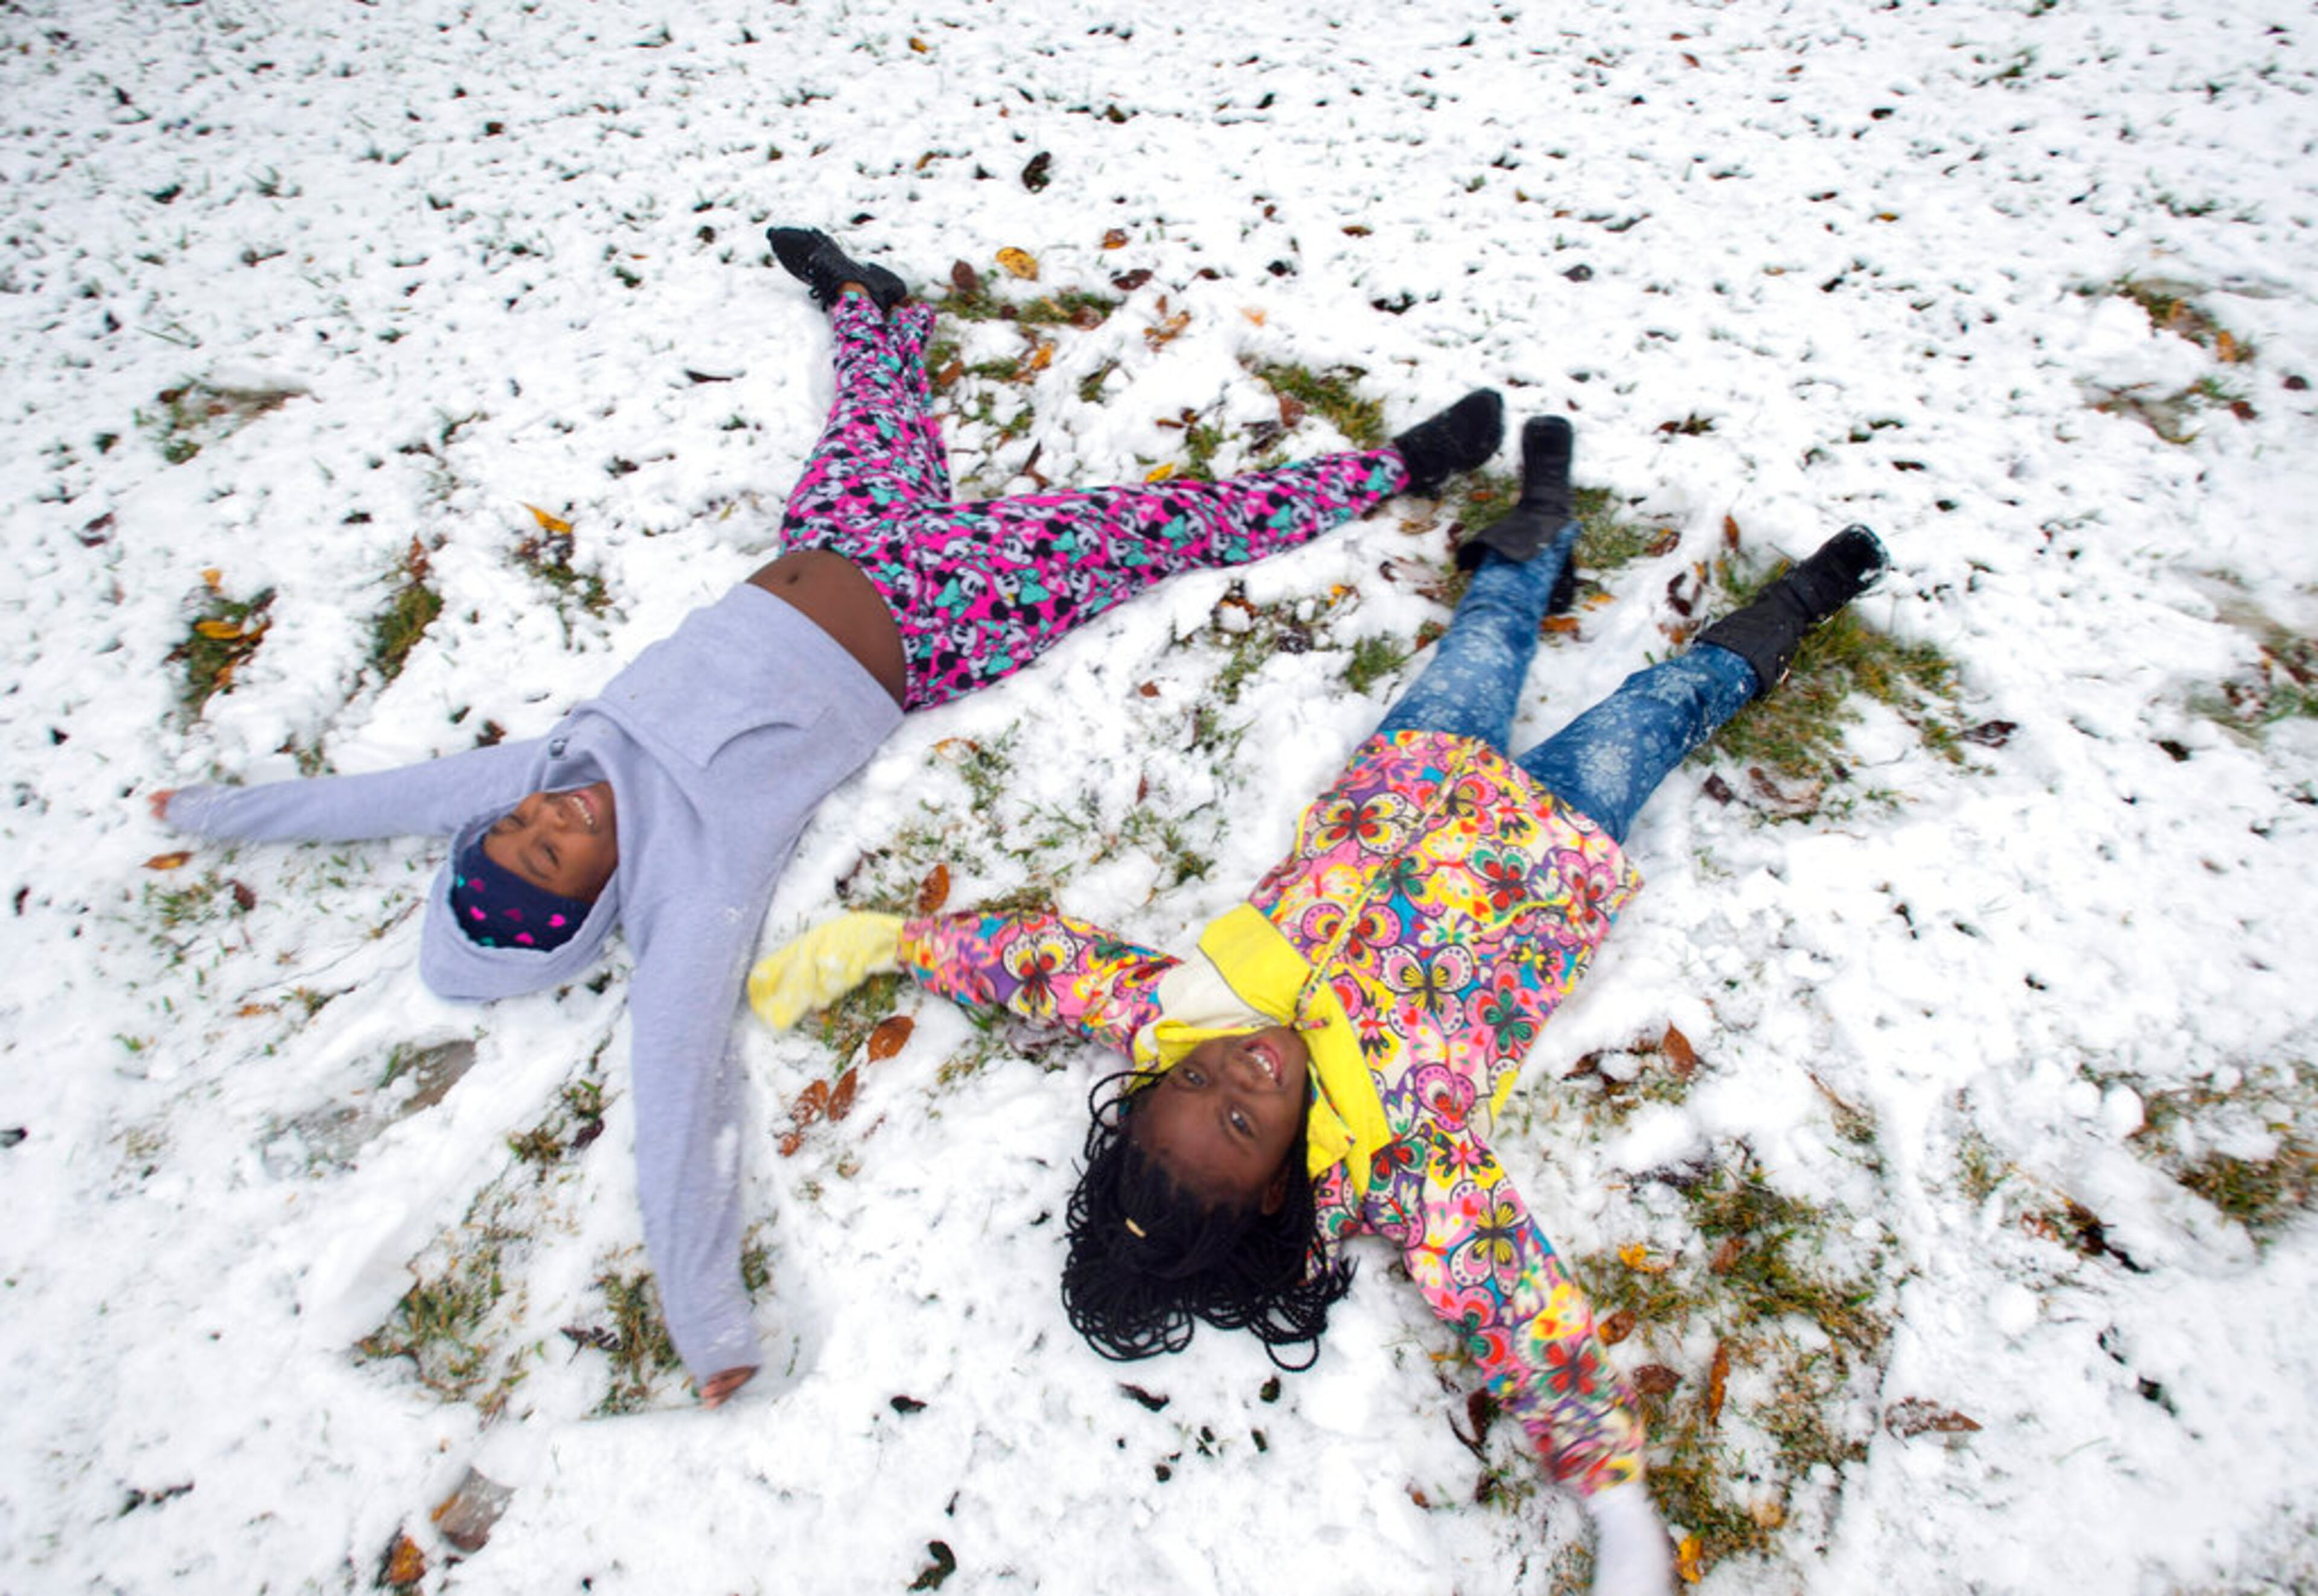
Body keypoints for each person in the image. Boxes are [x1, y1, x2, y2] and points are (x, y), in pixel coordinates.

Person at [148, 226, 1510, 1409]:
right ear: (598, 895)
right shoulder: (694, 875)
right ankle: (1394, 469)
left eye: (513, 824)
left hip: (840, 526)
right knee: (1165, 521)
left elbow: (373, 795)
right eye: (558, 847)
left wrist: (218, 811)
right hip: (945, 604)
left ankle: (872, 305)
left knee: (871, 411)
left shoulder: (565, 760)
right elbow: (673, 1093)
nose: (548, 810)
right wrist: (707, 1314)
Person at [749, 412, 1889, 1593]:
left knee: (1490, 630)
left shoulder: (1176, 1009)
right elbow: (1519, 1301)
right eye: (1243, 1121)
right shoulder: (1405, 1155)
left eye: (1192, 1083)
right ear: (1287, 1182)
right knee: (1668, 701)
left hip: (1415, 762)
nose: (1233, 1072)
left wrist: (882, 940)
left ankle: (1542, 522)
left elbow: (1039, 961)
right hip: (1557, 833)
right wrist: (1613, 1495)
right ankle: (1796, 608)